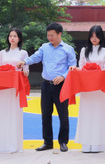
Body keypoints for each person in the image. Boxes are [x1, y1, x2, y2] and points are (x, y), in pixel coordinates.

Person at [17, 22, 77, 152]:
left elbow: (72, 67)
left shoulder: (68, 49)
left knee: (63, 114)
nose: (50, 37)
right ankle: (47, 142)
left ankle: (63, 142)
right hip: (46, 85)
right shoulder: (45, 47)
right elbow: (35, 57)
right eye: (48, 35)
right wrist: (25, 62)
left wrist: (63, 76)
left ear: (59, 34)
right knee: (45, 114)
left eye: (52, 35)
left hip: (61, 86)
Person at [71, 25, 105, 153]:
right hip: (86, 88)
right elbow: (81, 67)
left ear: (101, 37)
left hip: (99, 88)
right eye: (92, 36)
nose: (94, 39)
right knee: (86, 114)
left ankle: (98, 144)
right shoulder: (84, 50)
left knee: (98, 114)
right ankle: (86, 143)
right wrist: (74, 68)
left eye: (97, 36)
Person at [0, 27, 29, 153]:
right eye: (10, 36)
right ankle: (0, 144)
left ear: (19, 38)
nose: (12, 38)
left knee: (14, 113)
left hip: (15, 88)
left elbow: (27, 72)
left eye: (15, 36)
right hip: (3, 88)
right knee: (2, 113)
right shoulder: (3, 53)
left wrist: (22, 68)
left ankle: (14, 145)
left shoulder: (23, 53)